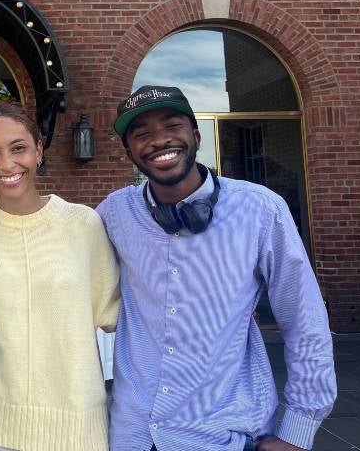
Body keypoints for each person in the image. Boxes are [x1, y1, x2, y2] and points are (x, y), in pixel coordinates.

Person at [96, 85, 337, 451]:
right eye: (141, 134)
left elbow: (305, 321)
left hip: (222, 435)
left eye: (172, 126)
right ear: (129, 151)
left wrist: (298, 430)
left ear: (195, 136)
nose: (159, 141)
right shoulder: (114, 213)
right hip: (133, 434)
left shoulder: (260, 210)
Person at [0, 102, 121, 451]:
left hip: (78, 429)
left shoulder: (83, 224)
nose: (7, 164)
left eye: (19, 148)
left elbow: (117, 318)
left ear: (39, 150)